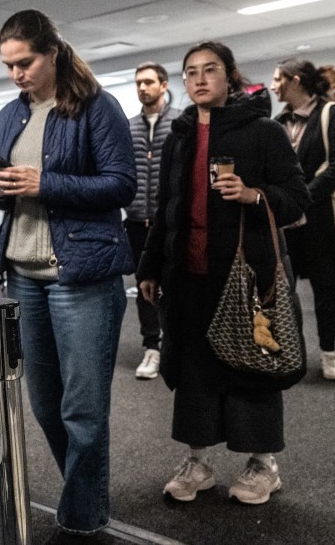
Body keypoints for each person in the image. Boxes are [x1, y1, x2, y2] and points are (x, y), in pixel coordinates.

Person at [137, 41, 309, 506]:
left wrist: (254, 195)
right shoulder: (179, 137)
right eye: (191, 72)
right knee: (193, 369)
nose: (199, 79)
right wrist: (150, 266)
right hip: (188, 273)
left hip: (247, 273)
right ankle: (198, 462)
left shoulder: (263, 131)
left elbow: (298, 197)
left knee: (251, 365)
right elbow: (165, 209)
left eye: (209, 69)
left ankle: (263, 465)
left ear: (229, 76)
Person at [0, 10, 136, 543]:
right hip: (24, 275)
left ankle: (81, 518)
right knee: (46, 405)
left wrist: (44, 183)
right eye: (8, 65)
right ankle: (85, 494)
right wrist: (1, 188)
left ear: (52, 53)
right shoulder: (10, 114)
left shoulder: (96, 106)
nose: (16, 74)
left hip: (82, 276)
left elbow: (121, 185)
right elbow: (7, 192)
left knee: (83, 410)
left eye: (25, 62)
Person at [272, 58, 335, 380]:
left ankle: (328, 352)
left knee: (326, 286)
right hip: (286, 222)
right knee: (283, 289)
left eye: (278, 79)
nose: (273, 86)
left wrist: (301, 202)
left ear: (295, 80)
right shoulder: (277, 122)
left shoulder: (332, 114)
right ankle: (288, 350)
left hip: (322, 218)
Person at [125, 62, 181, 380]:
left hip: (171, 221)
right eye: (138, 83)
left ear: (163, 85)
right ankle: (152, 347)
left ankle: (176, 344)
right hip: (137, 222)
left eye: (148, 82)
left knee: (175, 284)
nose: (143, 88)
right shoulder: (129, 126)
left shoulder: (180, 122)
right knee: (144, 285)